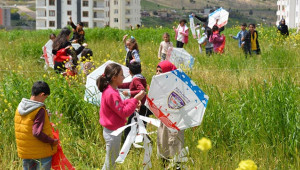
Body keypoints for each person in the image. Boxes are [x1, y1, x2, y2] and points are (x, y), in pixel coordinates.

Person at [97, 63, 146, 170]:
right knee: (110, 164)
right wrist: (135, 99)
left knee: (110, 162)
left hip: (112, 131)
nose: (124, 77)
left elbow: (119, 106)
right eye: (121, 75)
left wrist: (131, 101)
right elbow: (124, 112)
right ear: (114, 78)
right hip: (112, 133)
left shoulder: (111, 90)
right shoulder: (112, 93)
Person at [14, 81, 58, 170]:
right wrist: (52, 141)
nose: (44, 100)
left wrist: (45, 116)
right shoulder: (39, 110)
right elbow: (36, 132)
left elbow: (27, 124)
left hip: (26, 152)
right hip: (41, 153)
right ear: (42, 94)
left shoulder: (20, 107)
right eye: (45, 97)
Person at [156, 60, 184, 169]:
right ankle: (164, 165)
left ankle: (177, 166)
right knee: (163, 143)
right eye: (157, 70)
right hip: (163, 121)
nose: (158, 73)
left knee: (175, 145)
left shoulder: (176, 88)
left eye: (161, 71)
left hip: (175, 122)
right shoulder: (159, 85)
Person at [118, 61, 151, 139]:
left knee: (129, 128)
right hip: (142, 106)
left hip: (138, 106)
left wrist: (129, 93)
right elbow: (129, 84)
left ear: (129, 71)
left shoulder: (136, 79)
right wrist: (118, 85)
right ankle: (146, 142)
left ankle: (129, 144)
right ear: (141, 70)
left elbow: (141, 90)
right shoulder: (140, 77)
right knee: (140, 127)